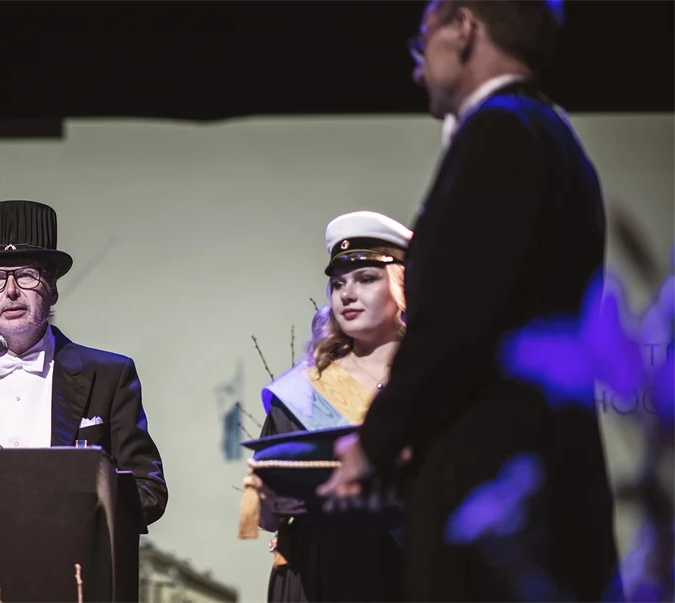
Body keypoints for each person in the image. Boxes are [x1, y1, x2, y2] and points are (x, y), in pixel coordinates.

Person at [317, 2, 623, 602]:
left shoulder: (502, 132)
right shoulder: (549, 133)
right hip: (537, 478)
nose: (415, 68)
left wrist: (376, 444)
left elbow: (459, 316)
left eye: (422, 41)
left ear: (464, 27)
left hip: (495, 491)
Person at [0, 199, 168, 527]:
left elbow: (149, 490)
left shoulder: (109, 375)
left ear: (53, 288)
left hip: (69, 566)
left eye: (27, 276)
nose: (12, 291)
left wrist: (78, 501)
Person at [254, 211, 412, 603]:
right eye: (338, 283)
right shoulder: (303, 391)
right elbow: (264, 513)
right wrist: (271, 502)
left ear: (403, 285)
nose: (347, 294)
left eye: (367, 278)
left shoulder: (436, 384)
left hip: (412, 569)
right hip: (319, 574)